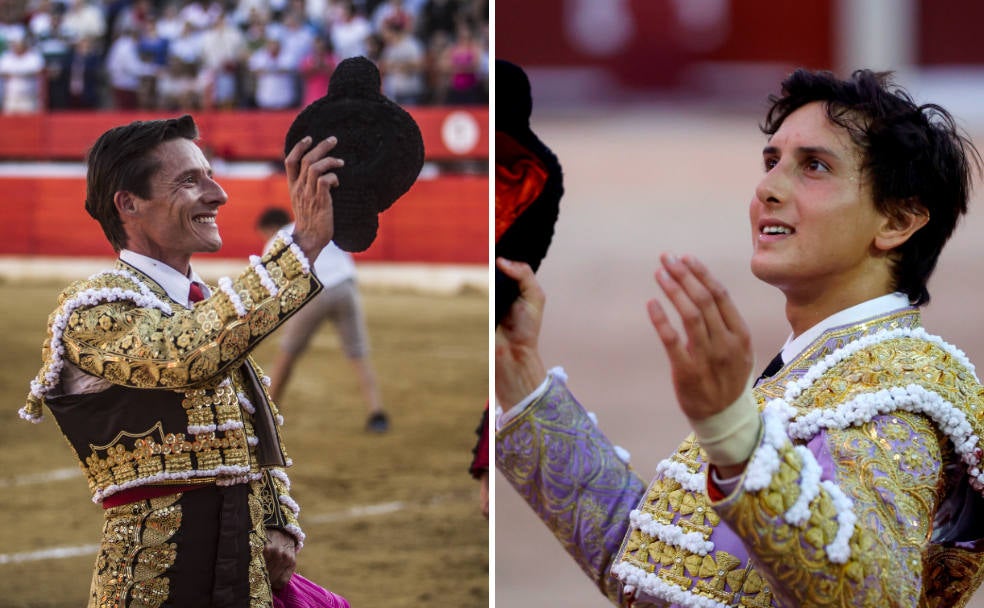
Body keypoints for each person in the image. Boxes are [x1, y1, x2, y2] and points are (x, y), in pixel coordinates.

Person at [495, 68, 984, 607]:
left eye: (814, 167)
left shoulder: (905, 389)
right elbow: (658, 577)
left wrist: (733, 432)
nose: (767, 188)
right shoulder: (818, 369)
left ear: (897, 220)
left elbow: (873, 596)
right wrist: (523, 383)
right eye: (772, 162)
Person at [20, 114, 347, 606]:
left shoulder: (203, 305)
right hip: (151, 581)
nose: (218, 194)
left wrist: (280, 521)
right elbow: (185, 355)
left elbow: (253, 428)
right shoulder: (91, 310)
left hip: (245, 570)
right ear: (128, 204)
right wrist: (299, 248)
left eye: (211, 176)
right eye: (190, 181)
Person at [256, 207, 390, 433]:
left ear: (270, 228)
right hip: (345, 287)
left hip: (312, 293)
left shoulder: (277, 239)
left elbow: (271, 285)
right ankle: (376, 412)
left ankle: (268, 412)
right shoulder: (318, 224)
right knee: (358, 354)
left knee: (287, 353)